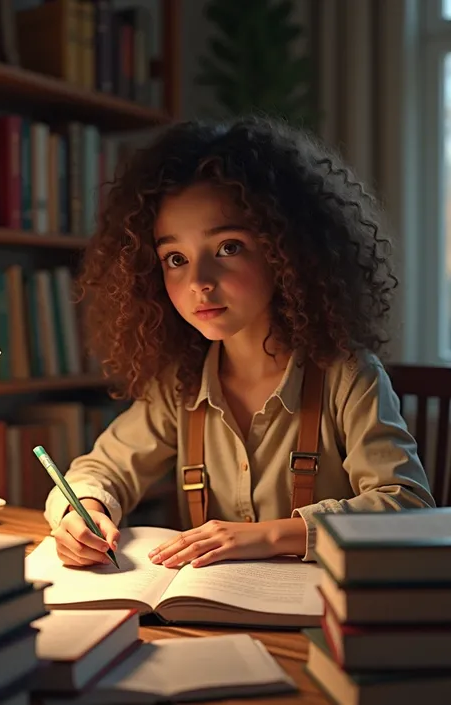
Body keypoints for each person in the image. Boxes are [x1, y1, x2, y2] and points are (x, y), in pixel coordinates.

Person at [46, 116, 435, 569]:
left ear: (284, 250)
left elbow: (408, 507)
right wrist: (83, 512)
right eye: (175, 258)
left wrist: (268, 536)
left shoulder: (348, 375)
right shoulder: (181, 386)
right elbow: (100, 471)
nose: (199, 282)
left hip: (321, 622)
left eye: (227, 248)